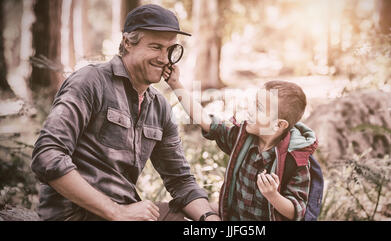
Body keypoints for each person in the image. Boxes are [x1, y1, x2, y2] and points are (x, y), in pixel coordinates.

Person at [31, 4, 220, 221]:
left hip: (125, 212)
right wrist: (116, 211)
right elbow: (47, 155)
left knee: (212, 215)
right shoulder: (91, 82)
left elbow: (181, 180)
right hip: (74, 214)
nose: (165, 59)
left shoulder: (159, 106)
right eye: (156, 47)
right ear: (127, 43)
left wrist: (208, 218)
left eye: (170, 50)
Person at [165, 66, 320, 220]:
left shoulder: (295, 161)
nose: (250, 111)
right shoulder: (241, 137)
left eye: (259, 108)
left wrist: (273, 195)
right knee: (183, 211)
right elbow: (205, 121)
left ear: (279, 125)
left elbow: (297, 211)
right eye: (254, 104)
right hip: (232, 217)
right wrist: (175, 84)